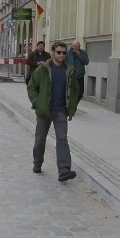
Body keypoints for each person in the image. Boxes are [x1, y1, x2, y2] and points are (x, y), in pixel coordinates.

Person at [27, 41, 79, 180]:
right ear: (53, 52)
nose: (61, 55)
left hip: (61, 111)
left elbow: (75, 89)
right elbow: (31, 87)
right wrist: (37, 103)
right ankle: (37, 163)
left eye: (63, 52)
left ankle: (64, 170)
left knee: (62, 139)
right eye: (58, 52)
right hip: (45, 110)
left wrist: (72, 105)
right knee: (40, 139)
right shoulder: (43, 69)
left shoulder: (69, 70)